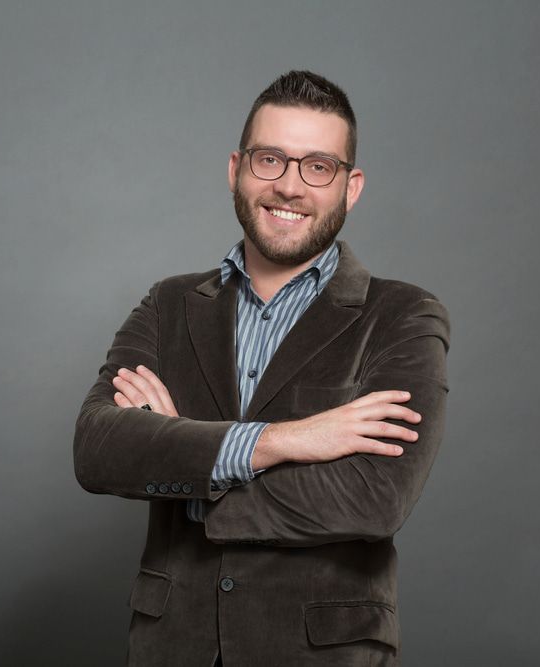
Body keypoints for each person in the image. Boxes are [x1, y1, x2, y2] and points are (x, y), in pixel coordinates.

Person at [73, 70, 450, 667]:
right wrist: (286, 441)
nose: (290, 186)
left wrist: (190, 466)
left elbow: (375, 497)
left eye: (318, 166)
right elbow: (98, 451)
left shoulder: (402, 315)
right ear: (236, 169)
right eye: (270, 159)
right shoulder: (168, 305)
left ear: (350, 188)